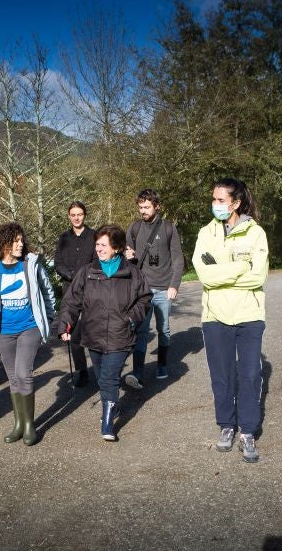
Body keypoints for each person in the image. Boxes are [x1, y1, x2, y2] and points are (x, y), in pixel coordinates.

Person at [192, 178, 269, 463]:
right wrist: (240, 267)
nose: (215, 205)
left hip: (249, 315)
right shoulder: (205, 233)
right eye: (213, 199)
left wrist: (222, 270)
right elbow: (204, 276)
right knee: (221, 376)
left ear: (236, 203)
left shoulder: (256, 233)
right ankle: (226, 425)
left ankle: (247, 431)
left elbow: (258, 276)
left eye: (221, 200)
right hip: (215, 316)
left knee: (249, 376)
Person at [58, 225, 151, 441]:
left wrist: (131, 318)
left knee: (109, 377)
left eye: (103, 245)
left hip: (121, 334)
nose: (98, 249)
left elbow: (145, 298)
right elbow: (71, 301)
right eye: (97, 244)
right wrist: (66, 325)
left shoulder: (132, 273)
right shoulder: (87, 272)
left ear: (117, 247)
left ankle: (107, 422)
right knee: (102, 377)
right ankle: (114, 405)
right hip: (93, 334)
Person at [0, 223, 56, 446]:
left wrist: (49, 316)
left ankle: (30, 426)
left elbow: (47, 291)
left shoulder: (31, 265)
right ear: (3, 243)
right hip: (4, 332)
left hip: (29, 327)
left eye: (21, 240)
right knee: (13, 378)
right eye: (15, 241)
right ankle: (18, 424)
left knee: (24, 373)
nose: (20, 244)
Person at [123, 189, 184, 389]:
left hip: (164, 289)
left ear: (156, 206)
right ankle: (138, 373)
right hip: (143, 290)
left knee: (163, 329)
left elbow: (177, 259)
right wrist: (127, 255)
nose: (143, 210)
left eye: (147, 207)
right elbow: (127, 257)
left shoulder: (168, 228)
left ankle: (162, 365)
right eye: (141, 207)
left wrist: (174, 285)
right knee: (141, 331)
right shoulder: (134, 228)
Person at [53, 201, 97, 388]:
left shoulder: (94, 236)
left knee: (95, 329)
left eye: (80, 214)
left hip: (91, 288)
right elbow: (58, 263)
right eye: (73, 214)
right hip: (70, 289)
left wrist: (84, 276)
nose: (77, 217)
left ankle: (101, 368)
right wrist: (71, 275)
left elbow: (98, 259)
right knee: (72, 332)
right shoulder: (63, 238)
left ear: (85, 215)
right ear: (69, 216)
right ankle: (82, 371)